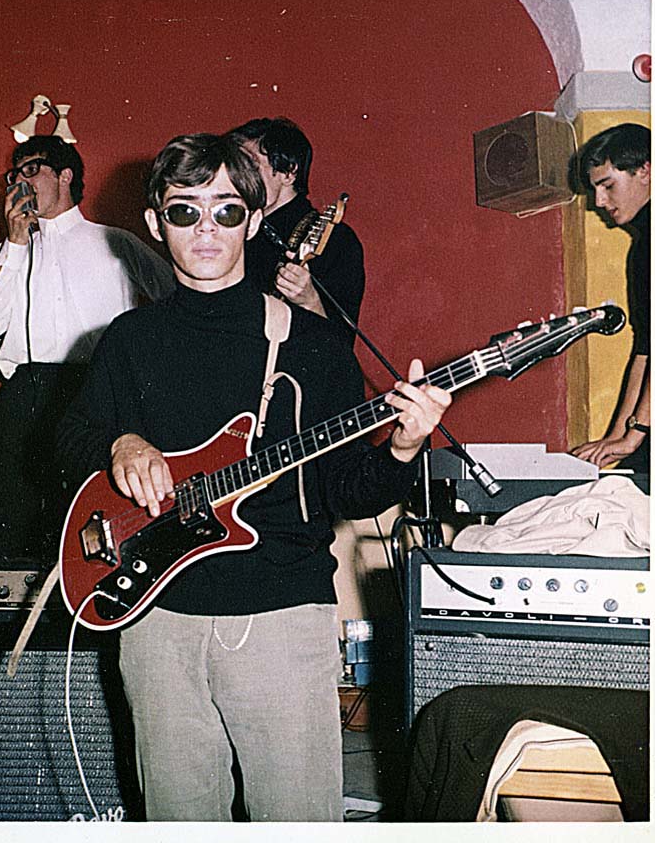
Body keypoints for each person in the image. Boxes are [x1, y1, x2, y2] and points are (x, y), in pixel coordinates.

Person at [56, 131, 451, 822]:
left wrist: (404, 446)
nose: (206, 228)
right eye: (185, 211)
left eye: (227, 210)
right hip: (156, 620)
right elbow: (64, 442)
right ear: (155, 224)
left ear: (255, 219)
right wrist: (121, 443)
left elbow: (343, 490)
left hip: (279, 616)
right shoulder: (128, 340)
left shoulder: (313, 345)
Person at [0, 134, 175, 567]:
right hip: (24, 393)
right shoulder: (9, 252)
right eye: (14, 174)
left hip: (92, 391)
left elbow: (175, 299)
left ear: (65, 175)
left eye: (32, 169)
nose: (20, 181)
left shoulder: (116, 243)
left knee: (85, 513)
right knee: (4, 515)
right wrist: (14, 244)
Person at [229, 116, 365, 340]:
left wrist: (310, 301)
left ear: (289, 172)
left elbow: (341, 345)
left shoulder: (338, 240)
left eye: (249, 164)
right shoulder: (230, 228)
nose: (237, 176)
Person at [570, 122, 650, 472]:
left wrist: (637, 434)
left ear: (645, 170)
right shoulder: (644, 245)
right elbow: (646, 349)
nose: (599, 202)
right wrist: (617, 438)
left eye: (607, 186)